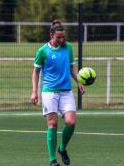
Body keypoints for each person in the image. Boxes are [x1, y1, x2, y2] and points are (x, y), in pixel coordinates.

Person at [30, 19, 85, 166]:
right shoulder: (43, 51)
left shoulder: (68, 48)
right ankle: (52, 160)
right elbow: (35, 72)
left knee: (71, 122)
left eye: (63, 37)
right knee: (52, 124)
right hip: (49, 92)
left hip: (66, 92)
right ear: (51, 36)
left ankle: (62, 148)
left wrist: (79, 81)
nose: (61, 40)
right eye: (58, 37)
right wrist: (34, 92)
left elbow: (72, 68)